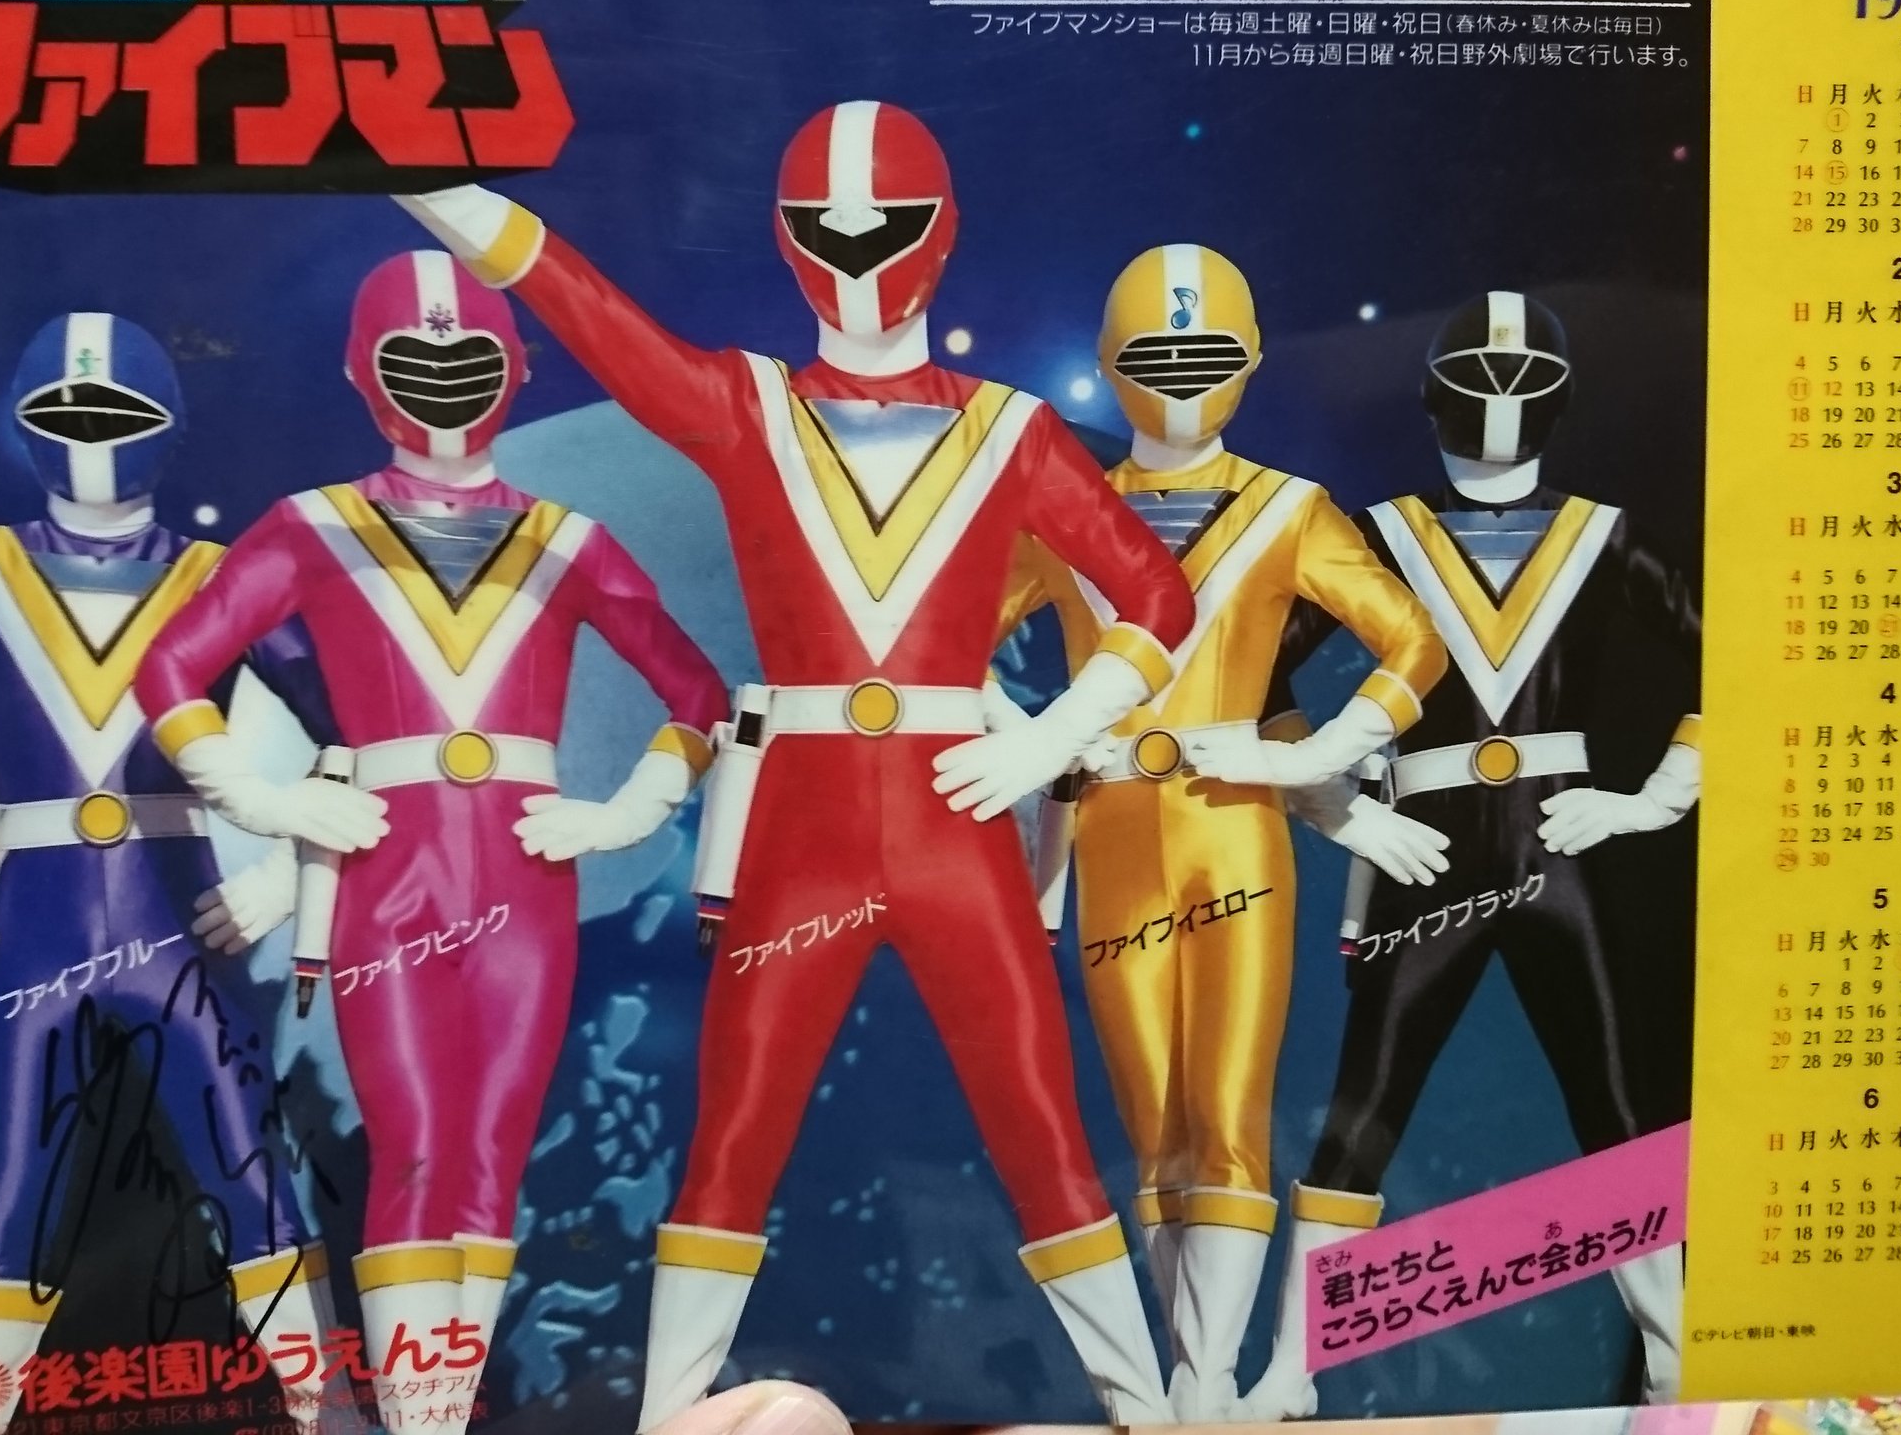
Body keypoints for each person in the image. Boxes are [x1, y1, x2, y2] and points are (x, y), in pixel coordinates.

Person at [394, 98, 1197, 1428]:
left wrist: (1052, 738)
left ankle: (1151, 1412)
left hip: (949, 816)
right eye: (829, 225)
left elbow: (1156, 598)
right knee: (736, 1134)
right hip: (808, 829)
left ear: (939, 232)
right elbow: (580, 302)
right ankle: (669, 1416)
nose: (859, 250)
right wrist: (430, 181)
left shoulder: (1007, 431)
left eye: (886, 223)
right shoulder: (743, 406)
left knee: (1040, 1127)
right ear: (785, 235)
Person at [134, 254, 728, 1433]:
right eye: (415, 356)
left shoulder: (567, 539)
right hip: (388, 876)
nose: (445, 379)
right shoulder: (313, 525)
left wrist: (622, 813)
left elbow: (698, 694)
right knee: (411, 1143)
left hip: (523, 879)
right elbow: (171, 667)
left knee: (491, 1152)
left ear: (515, 368)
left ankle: (438, 1414)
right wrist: (270, 803)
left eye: (469, 356)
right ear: (364, 373)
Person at [994, 243, 1445, 1420]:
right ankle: (1188, 1373)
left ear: (1246, 360)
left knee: (1230, 1107)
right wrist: (1031, 745)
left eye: (1206, 355)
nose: (1181, 380)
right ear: (1109, 366)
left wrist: (1305, 759)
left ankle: (1205, 1374)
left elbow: (1413, 642)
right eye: (1156, 355)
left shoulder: (1290, 510)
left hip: (1234, 829)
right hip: (1110, 834)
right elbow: (942, 646)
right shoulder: (1061, 516)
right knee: (1152, 1120)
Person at [1243, 291, 1700, 1418]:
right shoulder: (1379, 535)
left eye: (1519, 379)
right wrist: (1337, 810)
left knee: (1616, 1107)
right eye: (1480, 378)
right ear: (1437, 394)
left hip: (1554, 847)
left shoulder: (1604, 534)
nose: (1498, 399)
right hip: (1430, 856)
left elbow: (1734, 663)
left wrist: (1649, 803)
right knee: (1361, 1112)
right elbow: (1253, 671)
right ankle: (1293, 1366)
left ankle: (1675, 1358)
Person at [0, 313, 347, 1435]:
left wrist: (291, 875)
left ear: (167, 423)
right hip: (30, 934)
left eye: (115, 409)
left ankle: (328, 1414)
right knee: (3, 1207)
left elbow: (355, 737)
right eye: (66, 409)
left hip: (175, 922)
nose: (91, 432)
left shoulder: (221, 577)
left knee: (252, 1182)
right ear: (24, 423)